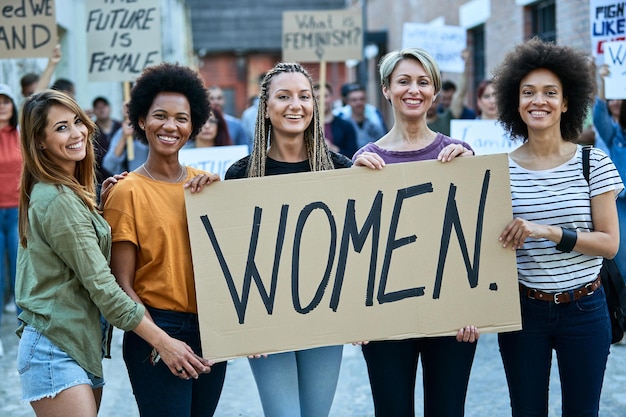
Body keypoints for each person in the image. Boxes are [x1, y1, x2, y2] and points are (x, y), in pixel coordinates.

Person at [15, 89, 213, 417]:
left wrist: (99, 209)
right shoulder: (60, 200)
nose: (77, 132)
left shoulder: (72, 195)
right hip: (56, 346)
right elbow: (106, 287)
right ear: (39, 141)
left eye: (77, 121)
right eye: (61, 127)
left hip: (76, 342)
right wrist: (163, 342)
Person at [494, 38, 623, 416]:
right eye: (528, 92)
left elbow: (610, 244)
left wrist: (548, 231)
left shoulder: (593, 163)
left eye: (551, 92)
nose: (539, 101)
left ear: (566, 103)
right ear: (515, 103)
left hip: (584, 308)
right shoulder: (498, 170)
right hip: (523, 311)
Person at [351, 47, 479, 417]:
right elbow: (357, 250)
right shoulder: (366, 161)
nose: (414, 90)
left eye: (424, 82)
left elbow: (473, 242)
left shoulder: (460, 156)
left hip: (450, 315)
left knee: (447, 410)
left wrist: (476, 306)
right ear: (387, 90)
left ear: (435, 92)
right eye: (403, 81)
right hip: (387, 319)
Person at [225, 62, 352, 417]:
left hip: (326, 318)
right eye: (283, 96)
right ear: (265, 108)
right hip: (267, 319)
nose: (295, 105)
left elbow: (358, 248)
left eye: (304, 96)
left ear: (315, 105)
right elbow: (233, 258)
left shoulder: (342, 170)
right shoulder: (240, 175)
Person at [102, 63, 227, 416]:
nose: (171, 126)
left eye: (182, 118)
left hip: (211, 329)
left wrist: (223, 202)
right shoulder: (127, 192)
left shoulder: (206, 185)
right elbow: (120, 284)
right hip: (155, 329)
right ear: (141, 120)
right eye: (160, 115)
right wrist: (161, 342)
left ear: (194, 125)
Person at [593, 64, 626, 278]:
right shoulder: (615, 135)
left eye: (619, 98)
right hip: (620, 206)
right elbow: (599, 117)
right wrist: (603, 82)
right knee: (622, 260)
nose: (615, 103)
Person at [0, 84, 21, 356]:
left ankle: (24, 334)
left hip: (17, 212)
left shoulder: (21, 133)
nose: (2, 105)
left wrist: (51, 65)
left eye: (6, 101)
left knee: (20, 276)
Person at [426, 49, 471, 136]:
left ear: (438, 101)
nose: (431, 105)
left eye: (433, 101)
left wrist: (465, 64)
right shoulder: (413, 128)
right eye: (428, 101)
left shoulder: (447, 118)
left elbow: (460, 94)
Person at [313, 81, 358, 158]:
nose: (322, 101)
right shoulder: (307, 125)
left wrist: (332, 148)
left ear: (331, 97)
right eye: (317, 97)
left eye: (325, 96)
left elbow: (353, 155)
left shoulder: (346, 126)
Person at [335, 83, 387, 149]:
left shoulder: (375, 116)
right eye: (354, 100)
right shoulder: (340, 119)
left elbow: (383, 140)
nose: (359, 103)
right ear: (347, 101)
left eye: (362, 99)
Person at [102, 105, 149, 175]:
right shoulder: (121, 133)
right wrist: (124, 137)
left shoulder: (150, 131)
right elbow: (108, 165)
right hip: (131, 181)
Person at [92, 96, 122, 185]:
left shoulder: (120, 127)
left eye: (104, 106)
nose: (101, 110)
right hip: (100, 179)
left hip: (121, 176)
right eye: (98, 107)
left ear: (110, 108)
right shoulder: (91, 130)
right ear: (94, 111)